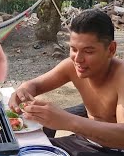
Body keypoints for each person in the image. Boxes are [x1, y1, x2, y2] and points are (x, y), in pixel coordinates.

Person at [9, 9, 124, 155]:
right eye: (73, 49)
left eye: (88, 51)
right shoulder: (72, 66)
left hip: (115, 150)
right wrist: (23, 91)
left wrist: (68, 121)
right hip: (85, 141)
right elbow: (35, 85)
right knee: (21, 149)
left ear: (111, 49)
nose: (78, 59)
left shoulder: (121, 76)